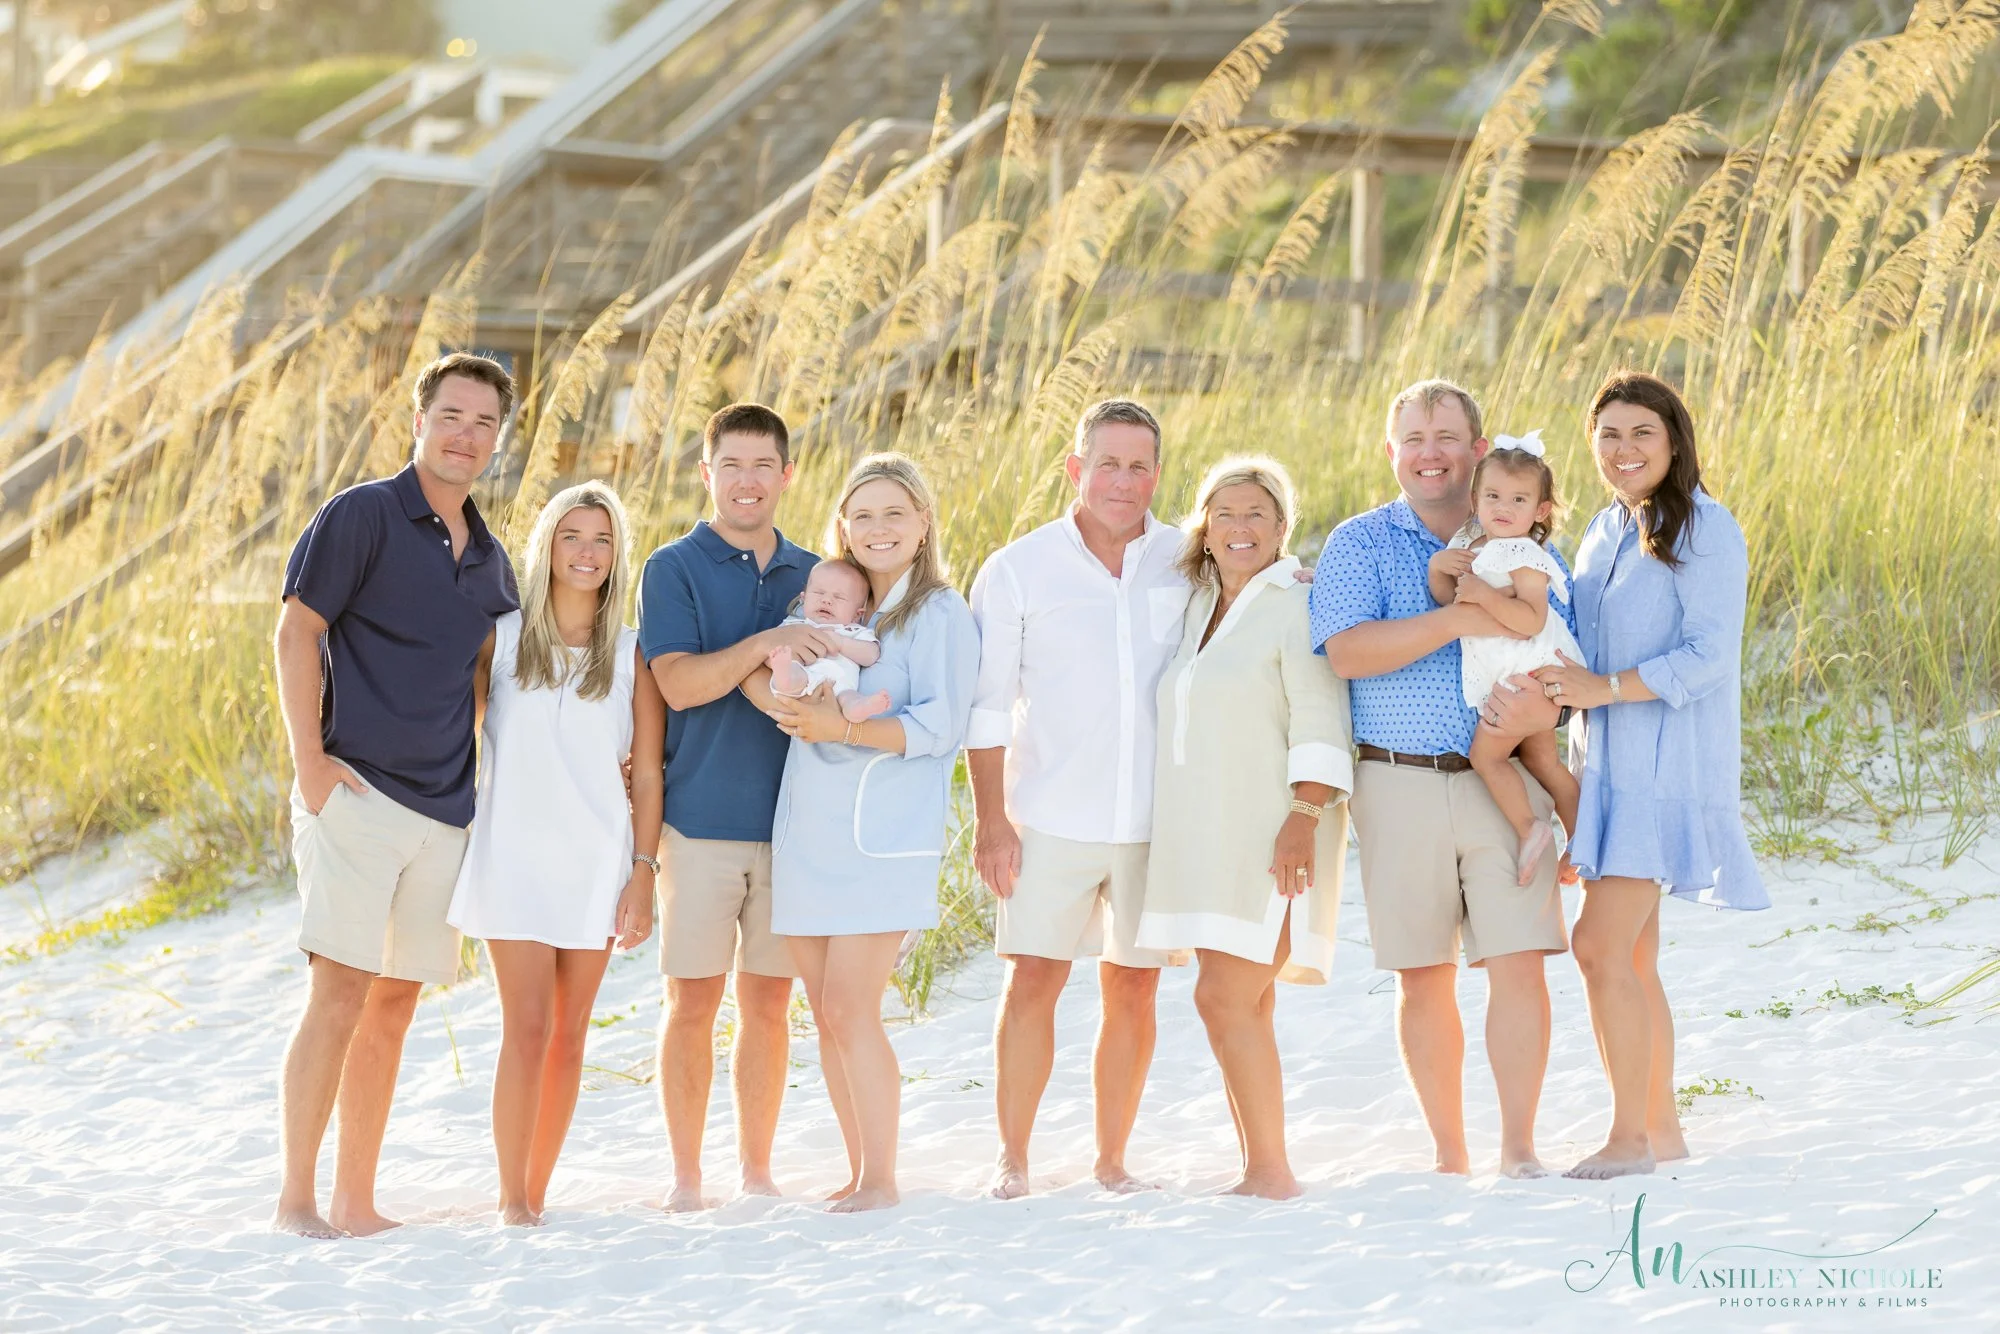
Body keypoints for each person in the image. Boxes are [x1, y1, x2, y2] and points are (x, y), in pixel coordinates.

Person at [271, 352, 521, 1237]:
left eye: (484, 421)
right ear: (418, 421)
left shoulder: (492, 560)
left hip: (446, 815)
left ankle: (356, 1200)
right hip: (357, 794)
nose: (466, 434)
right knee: (338, 992)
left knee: (395, 1003)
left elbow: (489, 689)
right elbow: (297, 631)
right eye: (451, 415)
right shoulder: (364, 514)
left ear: (499, 437)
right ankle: (298, 1201)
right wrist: (310, 763)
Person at [1310, 377, 1574, 1180]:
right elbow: (1348, 652)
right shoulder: (1358, 542)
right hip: (1398, 782)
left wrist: (1536, 713)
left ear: (1478, 448)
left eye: (1447, 438)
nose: (1431, 455)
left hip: (1505, 780)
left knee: (1519, 962)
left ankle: (1519, 1148)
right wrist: (1460, 618)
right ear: (1392, 453)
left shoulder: (1524, 540)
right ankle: (1450, 1152)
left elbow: (1564, 669)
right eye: (1414, 440)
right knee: (1423, 975)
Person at [1532, 370, 1769, 1180]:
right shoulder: (1601, 531)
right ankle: (1662, 1131)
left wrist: (1604, 688)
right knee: (1631, 959)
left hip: (1666, 772)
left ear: (1674, 441)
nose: (1624, 449)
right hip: (1606, 772)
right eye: (1609, 435)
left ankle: (1629, 1138)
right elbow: (1578, 656)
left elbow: (1709, 656)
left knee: (1596, 947)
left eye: (1642, 434)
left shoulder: (1707, 528)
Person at [966, 398, 1190, 1199]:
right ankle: (1014, 1157)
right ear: (1075, 468)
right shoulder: (1019, 567)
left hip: (1152, 824)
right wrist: (993, 822)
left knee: (1134, 986)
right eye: (1107, 463)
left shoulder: (1186, 555)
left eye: (1138, 465)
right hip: (1047, 819)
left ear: (1157, 474)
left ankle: (1112, 1160)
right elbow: (987, 706)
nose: (1122, 481)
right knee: (1032, 982)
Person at [754, 453, 980, 1213]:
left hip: (882, 840)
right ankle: (857, 1171)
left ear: (923, 525)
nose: (878, 529)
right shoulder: (833, 613)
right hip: (810, 833)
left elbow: (941, 726)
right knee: (824, 1012)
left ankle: (882, 1180)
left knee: (853, 1009)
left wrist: (839, 727)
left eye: (895, 513)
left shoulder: (941, 613)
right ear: (843, 527)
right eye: (864, 515)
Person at [1133, 457, 1353, 1201]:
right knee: (1241, 999)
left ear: (1283, 528)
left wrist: (1304, 816)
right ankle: (1261, 1164)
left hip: (1276, 831)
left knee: (1223, 997)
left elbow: (1322, 716)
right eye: (1224, 513)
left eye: (1257, 513)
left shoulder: (1295, 606)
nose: (1240, 527)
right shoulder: (1198, 607)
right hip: (1208, 836)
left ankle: (1270, 1169)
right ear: (1204, 526)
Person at [446, 481, 664, 1226]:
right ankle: (511, 1200)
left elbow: (649, 776)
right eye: (572, 535)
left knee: (571, 1034)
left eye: (601, 539)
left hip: (598, 862)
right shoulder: (500, 639)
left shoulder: (633, 653)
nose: (587, 552)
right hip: (513, 857)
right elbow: (449, 730)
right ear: (546, 546)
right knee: (528, 1027)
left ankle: (536, 1196)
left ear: (616, 555)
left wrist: (644, 872)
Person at [635, 402, 828, 1212]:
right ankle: (686, 1176)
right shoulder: (672, 567)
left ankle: (756, 1170)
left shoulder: (818, 574)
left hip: (794, 827)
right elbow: (678, 682)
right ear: (705, 473)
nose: (748, 482)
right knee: (693, 1000)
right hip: (700, 824)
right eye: (731, 465)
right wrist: (762, 645)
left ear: (787, 475)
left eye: (764, 466)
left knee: (769, 1003)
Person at [1427, 429, 1584, 885]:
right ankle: (1581, 838)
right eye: (1493, 495)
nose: (1503, 508)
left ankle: (1529, 828)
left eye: (1518, 500)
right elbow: (1448, 599)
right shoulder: (1471, 543)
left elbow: (1532, 618)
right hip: (1512, 670)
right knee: (1542, 761)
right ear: (1475, 499)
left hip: (1528, 671)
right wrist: (1441, 568)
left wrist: (1482, 594)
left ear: (1540, 511)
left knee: (1487, 756)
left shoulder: (1524, 554)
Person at [767, 557, 892, 722]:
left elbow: (871, 655)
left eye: (839, 597)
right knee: (792, 673)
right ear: (803, 599)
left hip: (840, 686)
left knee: (850, 698)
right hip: (804, 677)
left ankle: (861, 708)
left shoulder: (853, 631)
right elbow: (771, 646)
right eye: (819, 593)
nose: (826, 600)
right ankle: (784, 673)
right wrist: (777, 658)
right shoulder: (794, 625)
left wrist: (840, 642)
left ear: (857, 614)